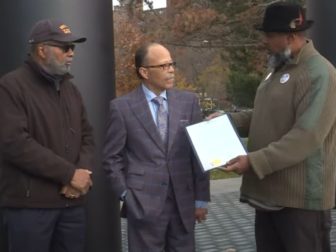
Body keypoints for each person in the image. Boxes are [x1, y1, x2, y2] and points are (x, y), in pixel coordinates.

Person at [218, 2, 336, 252]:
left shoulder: (320, 74)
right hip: (268, 197)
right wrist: (225, 121)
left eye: (270, 35)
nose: (265, 41)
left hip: (300, 205)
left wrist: (254, 162)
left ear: (291, 36)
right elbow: (262, 114)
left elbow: (307, 136)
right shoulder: (278, 68)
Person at [103, 42, 210, 252]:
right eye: (163, 66)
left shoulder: (188, 102)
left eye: (172, 64)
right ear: (144, 72)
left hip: (184, 204)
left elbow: (199, 154)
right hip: (143, 205)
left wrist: (201, 199)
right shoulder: (122, 108)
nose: (171, 70)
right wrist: (126, 194)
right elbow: (111, 158)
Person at [0, 19, 94, 252]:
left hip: (72, 205)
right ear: (42, 50)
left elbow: (88, 137)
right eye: (65, 47)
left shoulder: (71, 89)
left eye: (73, 47)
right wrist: (69, 174)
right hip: (30, 209)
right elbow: (15, 144)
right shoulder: (10, 86)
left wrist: (80, 176)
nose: (71, 53)